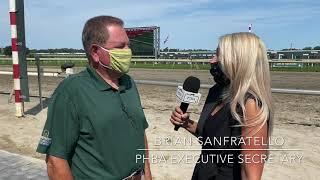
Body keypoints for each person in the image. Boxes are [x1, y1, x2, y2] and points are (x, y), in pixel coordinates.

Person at [36, 15, 151, 180]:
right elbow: (56, 161)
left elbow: (140, 133)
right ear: (96, 53)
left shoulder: (129, 83)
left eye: (128, 45)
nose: (128, 51)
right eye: (121, 46)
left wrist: (147, 173)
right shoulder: (71, 91)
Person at [170, 32, 273, 180]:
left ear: (239, 61)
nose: (212, 61)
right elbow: (212, 138)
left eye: (218, 56)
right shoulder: (216, 91)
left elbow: (251, 175)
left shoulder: (250, 105)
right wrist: (187, 123)